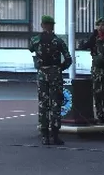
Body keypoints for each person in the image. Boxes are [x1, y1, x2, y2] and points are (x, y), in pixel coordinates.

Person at [28, 15, 72, 146]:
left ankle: (44, 136)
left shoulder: (35, 40)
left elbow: (30, 49)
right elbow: (68, 59)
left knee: (43, 105)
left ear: (42, 25)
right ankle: (55, 135)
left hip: (42, 74)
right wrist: (59, 68)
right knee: (56, 104)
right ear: (53, 26)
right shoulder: (58, 41)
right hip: (55, 75)